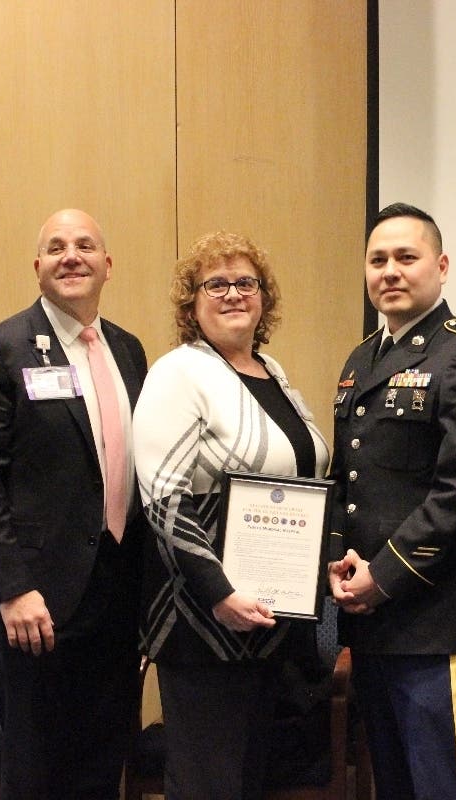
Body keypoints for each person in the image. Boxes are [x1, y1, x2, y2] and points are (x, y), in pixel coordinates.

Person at [0, 209, 147, 800]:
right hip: (37, 594)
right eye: (56, 247)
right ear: (37, 266)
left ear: (107, 266)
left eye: (85, 245)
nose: (71, 255)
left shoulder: (129, 350)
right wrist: (11, 586)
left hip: (118, 587)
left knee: (102, 752)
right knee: (37, 762)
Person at [133, 231, 330, 799]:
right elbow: (163, 499)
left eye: (246, 282)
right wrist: (218, 590)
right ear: (191, 302)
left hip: (271, 617)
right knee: (207, 782)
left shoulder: (274, 373)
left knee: (253, 779)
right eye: (215, 284)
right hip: (203, 620)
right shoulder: (179, 372)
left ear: (264, 297)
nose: (233, 294)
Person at [327, 203, 456, 800]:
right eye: (378, 259)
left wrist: (383, 574)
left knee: (445, 788)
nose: (391, 272)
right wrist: (339, 559)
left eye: (407, 257)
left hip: (437, 620)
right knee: (395, 786)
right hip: (374, 619)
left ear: (442, 265)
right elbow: (350, 480)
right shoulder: (362, 359)